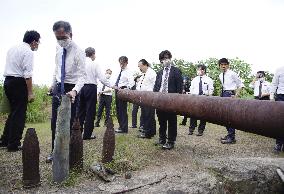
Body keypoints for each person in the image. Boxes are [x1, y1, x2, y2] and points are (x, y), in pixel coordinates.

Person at [47, 21, 86, 163]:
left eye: (63, 37)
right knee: (55, 121)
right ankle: (55, 151)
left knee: (69, 121)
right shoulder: (58, 49)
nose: (61, 41)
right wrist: (53, 85)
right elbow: (56, 69)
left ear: (70, 34)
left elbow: (83, 76)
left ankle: (67, 152)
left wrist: (75, 91)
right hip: (59, 86)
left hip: (72, 87)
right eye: (58, 38)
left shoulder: (79, 51)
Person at [0, 30, 40, 152]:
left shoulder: (12, 49)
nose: (38, 45)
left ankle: (4, 141)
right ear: (33, 42)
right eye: (38, 42)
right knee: (19, 113)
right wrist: (30, 92)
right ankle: (14, 144)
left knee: (14, 112)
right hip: (18, 82)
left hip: (7, 81)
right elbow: (27, 75)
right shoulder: (28, 52)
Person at [77, 47, 110, 140]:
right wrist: (112, 86)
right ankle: (87, 135)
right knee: (90, 112)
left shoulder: (80, 64)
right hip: (91, 87)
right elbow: (102, 78)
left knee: (80, 111)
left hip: (80, 87)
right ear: (93, 54)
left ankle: (78, 132)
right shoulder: (95, 64)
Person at [153, 50, 183, 149]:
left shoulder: (176, 71)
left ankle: (171, 141)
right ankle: (162, 139)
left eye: (167, 58)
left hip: (171, 100)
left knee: (171, 121)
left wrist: (178, 100)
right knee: (161, 120)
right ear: (161, 61)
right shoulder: (159, 73)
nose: (165, 60)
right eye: (163, 59)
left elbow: (179, 88)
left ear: (170, 58)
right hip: (160, 99)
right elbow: (156, 86)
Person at [219, 58, 243, 144]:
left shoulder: (233, 74)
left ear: (228, 65)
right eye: (222, 65)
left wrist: (236, 95)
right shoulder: (220, 75)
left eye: (225, 64)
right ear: (219, 66)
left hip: (231, 94)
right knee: (224, 117)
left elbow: (240, 85)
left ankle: (232, 137)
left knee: (230, 117)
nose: (223, 66)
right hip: (223, 94)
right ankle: (229, 134)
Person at [188, 64, 214, 136]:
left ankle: (201, 130)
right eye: (198, 69)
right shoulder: (194, 80)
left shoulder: (209, 80)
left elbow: (211, 90)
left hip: (204, 99)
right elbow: (191, 89)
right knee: (193, 115)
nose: (198, 71)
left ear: (203, 70)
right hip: (195, 99)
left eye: (200, 69)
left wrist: (206, 94)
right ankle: (191, 129)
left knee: (203, 116)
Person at [137, 59, 157, 139]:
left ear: (145, 65)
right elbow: (140, 85)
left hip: (149, 97)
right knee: (146, 114)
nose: (139, 68)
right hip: (143, 97)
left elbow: (154, 85)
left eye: (140, 66)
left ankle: (148, 133)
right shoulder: (144, 74)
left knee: (149, 115)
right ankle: (149, 131)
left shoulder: (151, 73)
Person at [114, 56, 135, 133]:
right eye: (120, 63)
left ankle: (124, 128)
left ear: (126, 62)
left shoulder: (128, 71)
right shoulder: (121, 71)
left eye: (122, 63)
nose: (121, 65)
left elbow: (132, 83)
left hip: (122, 91)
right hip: (117, 90)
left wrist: (126, 90)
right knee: (118, 110)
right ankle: (121, 126)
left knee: (122, 110)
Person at [270, 66, 284, 152]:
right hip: (281, 96)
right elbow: (274, 83)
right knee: (279, 121)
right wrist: (271, 96)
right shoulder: (279, 69)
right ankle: (278, 143)